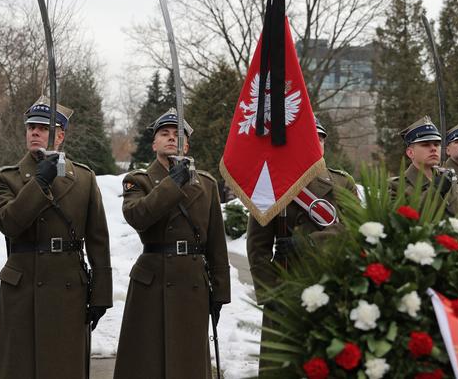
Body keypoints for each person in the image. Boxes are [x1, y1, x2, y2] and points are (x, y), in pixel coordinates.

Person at [0, 97, 113, 378]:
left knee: (64, 366)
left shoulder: (83, 178)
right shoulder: (6, 178)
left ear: (60, 136)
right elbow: (9, 223)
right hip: (23, 286)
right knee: (18, 365)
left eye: (43, 128)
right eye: (31, 127)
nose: (34, 132)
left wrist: (101, 294)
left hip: (68, 286)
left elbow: (98, 240)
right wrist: (39, 182)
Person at [113, 108, 231, 379]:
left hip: (191, 281)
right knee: (146, 358)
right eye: (164, 134)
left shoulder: (207, 184)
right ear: (154, 143)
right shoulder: (138, 180)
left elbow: (216, 243)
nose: (171, 139)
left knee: (187, 360)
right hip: (152, 280)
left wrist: (221, 292)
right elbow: (138, 216)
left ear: (186, 145)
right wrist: (173, 184)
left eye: (178, 136)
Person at [246, 117, 357, 376]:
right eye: (306, 137)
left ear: (324, 144)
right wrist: (273, 292)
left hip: (332, 283)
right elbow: (257, 246)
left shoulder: (342, 183)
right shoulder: (271, 184)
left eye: (318, 137)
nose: (313, 142)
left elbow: (354, 229)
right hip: (287, 286)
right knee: (284, 367)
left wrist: (311, 242)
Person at [389, 116, 458, 228]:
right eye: (425, 144)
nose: (433, 148)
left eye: (436, 144)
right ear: (410, 153)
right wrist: (434, 191)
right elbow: (399, 226)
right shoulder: (395, 187)